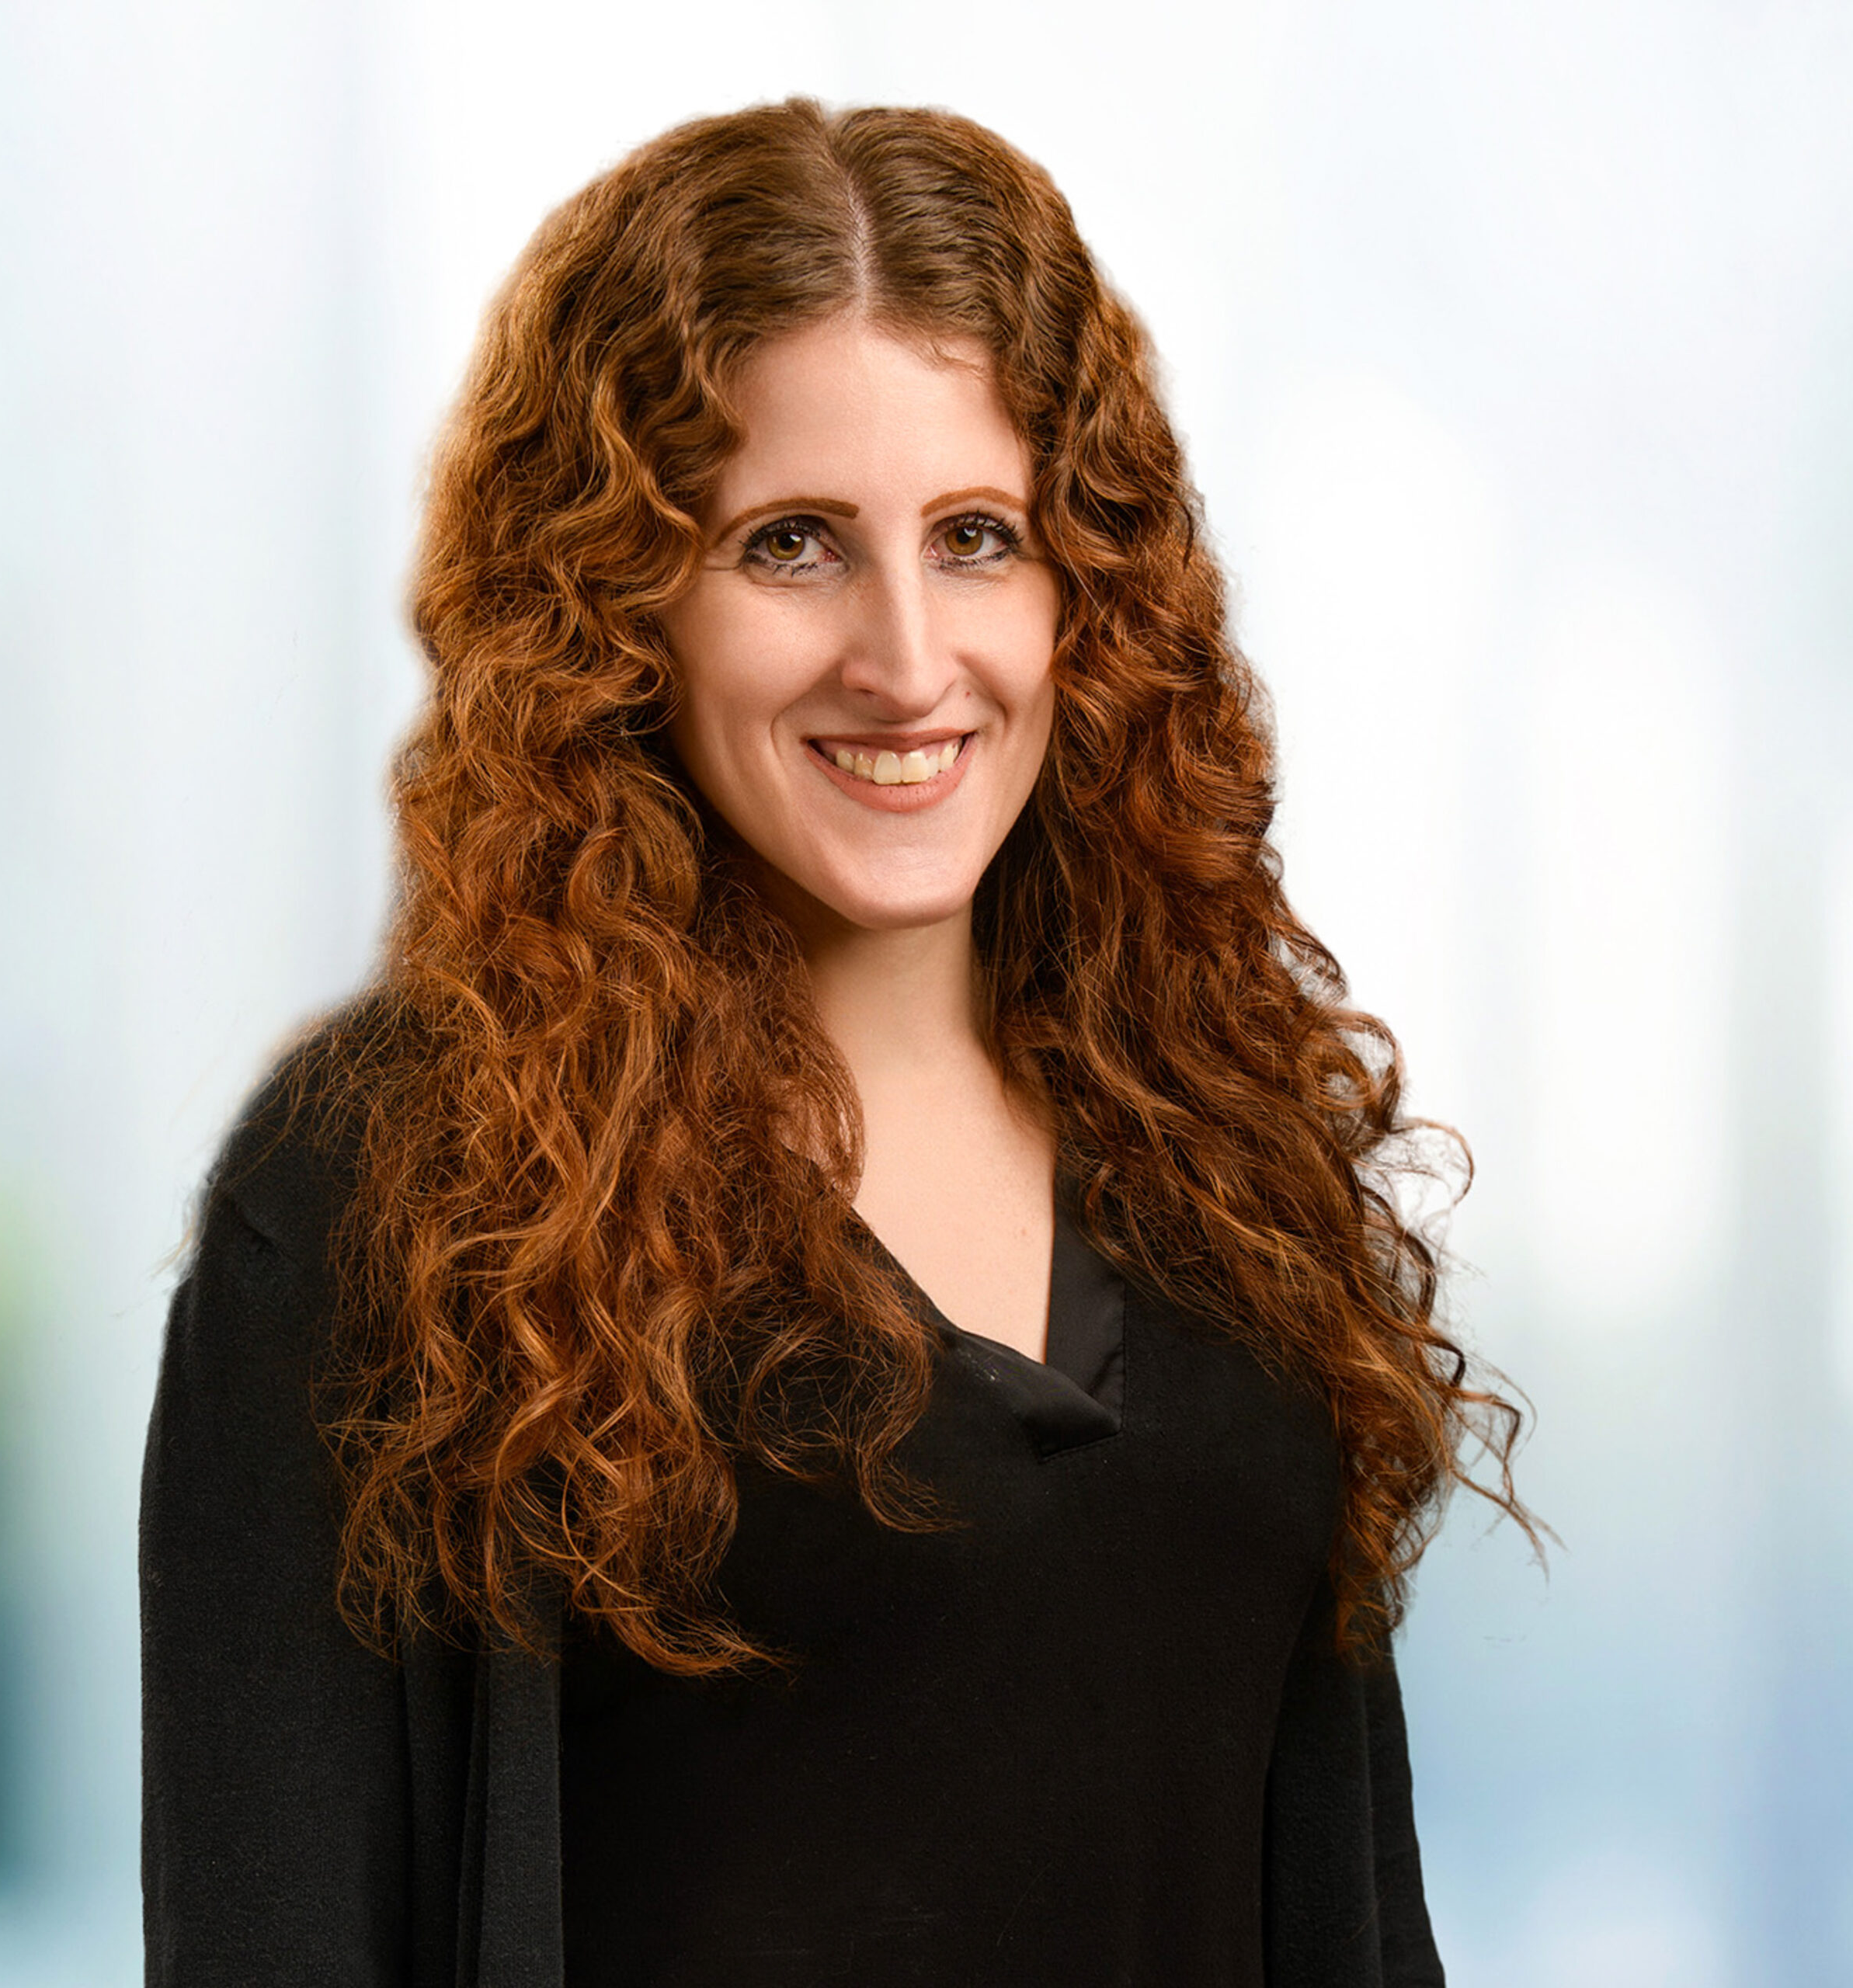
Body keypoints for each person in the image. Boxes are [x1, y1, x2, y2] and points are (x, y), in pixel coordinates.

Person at [140, 96, 1531, 1986]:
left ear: (1085, 593)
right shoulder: (387, 1184)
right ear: (620, 605)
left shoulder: (1225, 1146)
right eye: (791, 544)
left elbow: (1356, 1902)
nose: (902, 656)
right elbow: (273, 1928)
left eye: (976, 537)